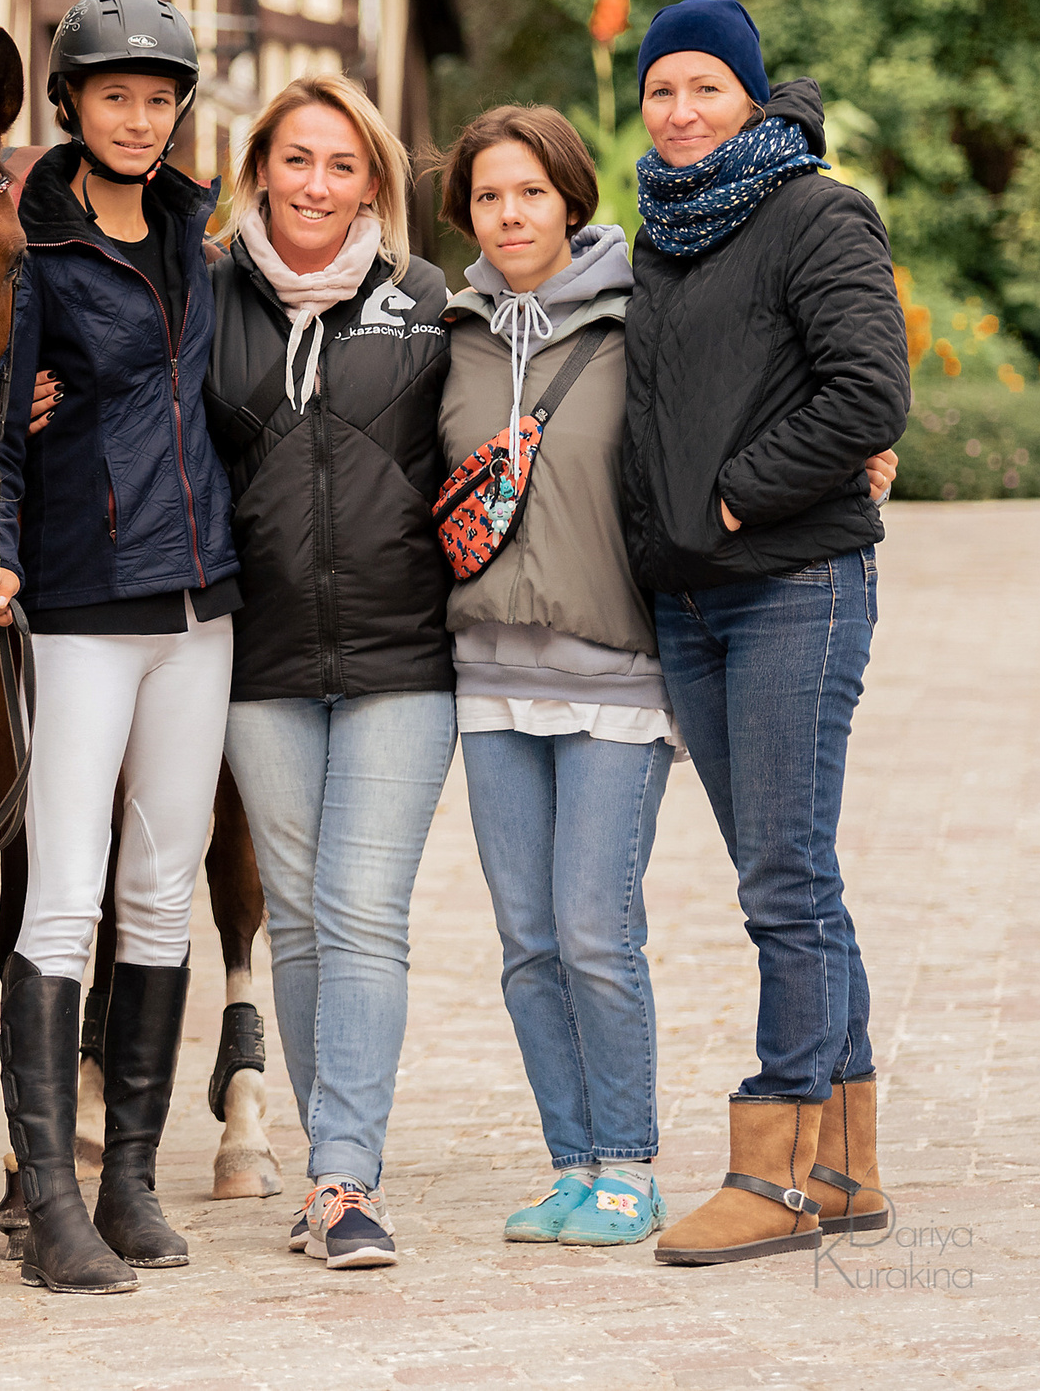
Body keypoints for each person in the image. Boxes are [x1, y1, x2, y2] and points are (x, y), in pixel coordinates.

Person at [619, 0, 910, 1267]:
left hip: (796, 582)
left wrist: (737, 491)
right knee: (787, 877)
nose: (680, 112)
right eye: (659, 92)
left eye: (704, 88)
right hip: (689, 601)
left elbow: (867, 392)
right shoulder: (662, 238)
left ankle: (778, 1165)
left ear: (750, 96)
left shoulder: (814, 212)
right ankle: (845, 1163)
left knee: (782, 882)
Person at [0, 0, 237, 1295]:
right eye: (115, 95)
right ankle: (49, 1199)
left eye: (159, 97)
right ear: (70, 105)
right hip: (80, 597)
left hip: (202, 602)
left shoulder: (198, 231)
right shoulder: (34, 248)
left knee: (160, 887)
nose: (139, 118)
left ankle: (130, 1178)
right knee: (66, 888)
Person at [202, 75, 454, 1271]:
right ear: (260, 169)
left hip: (405, 653)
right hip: (258, 657)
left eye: (342, 165)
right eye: (297, 160)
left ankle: (344, 1175)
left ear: (374, 183)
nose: (316, 184)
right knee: (297, 920)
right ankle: (327, 1172)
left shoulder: (424, 301)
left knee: (363, 914)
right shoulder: (201, 302)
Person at [433, 106, 678, 1247]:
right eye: (488, 196)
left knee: (593, 929)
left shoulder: (642, 321)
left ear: (569, 198)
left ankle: (630, 1162)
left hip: (618, 675)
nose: (510, 213)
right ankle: (574, 1165)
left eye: (529, 191)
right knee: (526, 940)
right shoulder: (456, 331)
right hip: (487, 677)